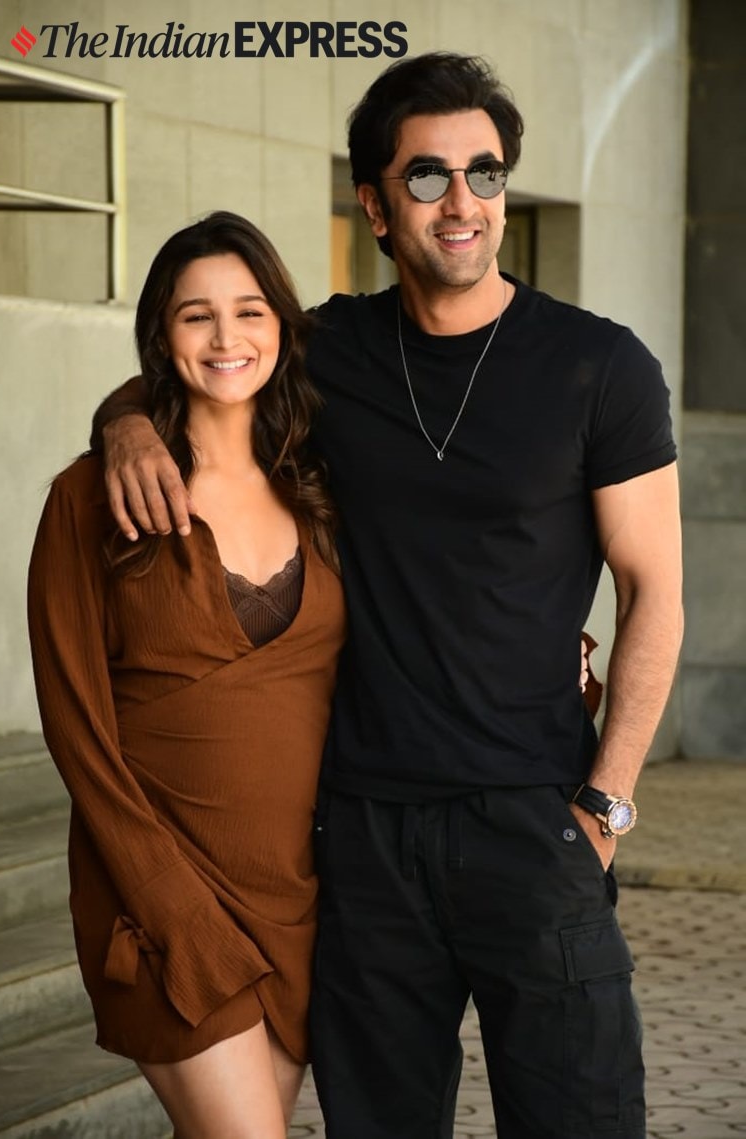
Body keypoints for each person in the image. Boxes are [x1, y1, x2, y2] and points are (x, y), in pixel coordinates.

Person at [90, 52, 683, 1139]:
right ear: (372, 202)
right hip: (363, 833)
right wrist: (125, 420)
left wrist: (605, 805)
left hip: (534, 820)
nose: (463, 204)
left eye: (486, 174)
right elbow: (212, 356)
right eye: (427, 178)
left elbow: (655, 594)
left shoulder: (602, 368)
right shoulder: (332, 350)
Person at [27, 211, 346, 1139]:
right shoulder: (90, 496)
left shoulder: (321, 483)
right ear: (160, 337)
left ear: (281, 326)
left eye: (249, 311)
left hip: (296, 898)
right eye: (194, 315)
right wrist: (169, 907)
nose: (225, 338)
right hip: (162, 893)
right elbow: (76, 728)